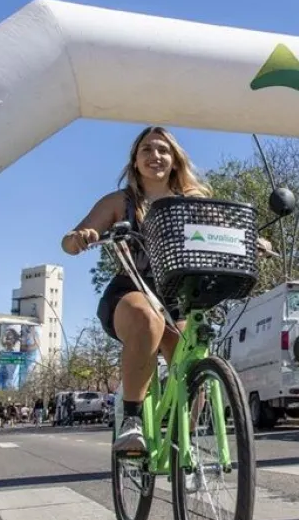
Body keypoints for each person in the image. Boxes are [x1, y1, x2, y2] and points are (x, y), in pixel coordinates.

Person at [63, 126, 268, 456]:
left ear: (174, 160)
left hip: (177, 295)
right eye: (146, 149)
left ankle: (182, 441)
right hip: (130, 293)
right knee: (148, 318)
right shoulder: (121, 201)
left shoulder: (193, 200)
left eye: (162, 150)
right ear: (135, 161)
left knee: (192, 355)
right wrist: (81, 236)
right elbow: (70, 241)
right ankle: (132, 422)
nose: (155, 155)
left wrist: (251, 240)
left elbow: (226, 229)